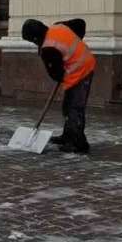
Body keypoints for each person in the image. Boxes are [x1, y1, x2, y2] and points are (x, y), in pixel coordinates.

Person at [22, 18, 96, 154]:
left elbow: (56, 74)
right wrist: (75, 46)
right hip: (83, 63)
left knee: (74, 108)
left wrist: (63, 68)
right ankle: (68, 136)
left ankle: (78, 144)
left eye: (32, 40)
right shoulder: (57, 27)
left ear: (35, 38)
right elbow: (80, 23)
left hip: (81, 71)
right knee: (68, 106)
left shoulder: (48, 48)